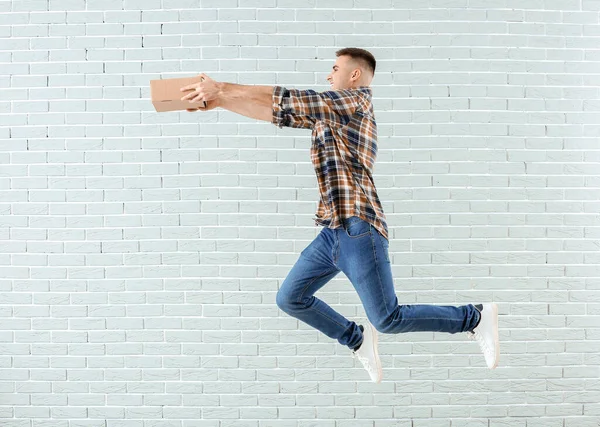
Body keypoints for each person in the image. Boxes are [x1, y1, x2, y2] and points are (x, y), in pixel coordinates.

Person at [180, 47, 500, 382]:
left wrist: (223, 88)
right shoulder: (330, 114)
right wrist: (220, 102)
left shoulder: (354, 103)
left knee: (388, 319)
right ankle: (356, 338)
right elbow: (277, 112)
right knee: (290, 298)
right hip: (332, 232)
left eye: (334, 68)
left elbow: (289, 98)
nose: (329, 75)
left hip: (360, 230)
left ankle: (473, 317)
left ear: (355, 74)